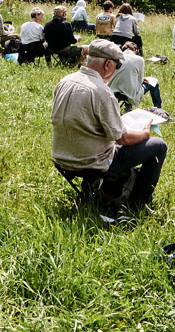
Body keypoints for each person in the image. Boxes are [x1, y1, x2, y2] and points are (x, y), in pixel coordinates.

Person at [51, 39, 166, 212]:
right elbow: (123, 138)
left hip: (62, 156)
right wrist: (145, 132)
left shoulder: (65, 80)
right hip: (92, 162)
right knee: (159, 146)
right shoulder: (102, 92)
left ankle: (99, 188)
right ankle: (138, 203)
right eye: (117, 66)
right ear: (107, 64)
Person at [110, 41, 164, 111]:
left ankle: (128, 107)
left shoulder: (116, 57)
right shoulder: (139, 59)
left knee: (129, 82)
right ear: (135, 50)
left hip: (113, 89)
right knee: (154, 83)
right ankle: (158, 107)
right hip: (130, 92)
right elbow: (140, 81)